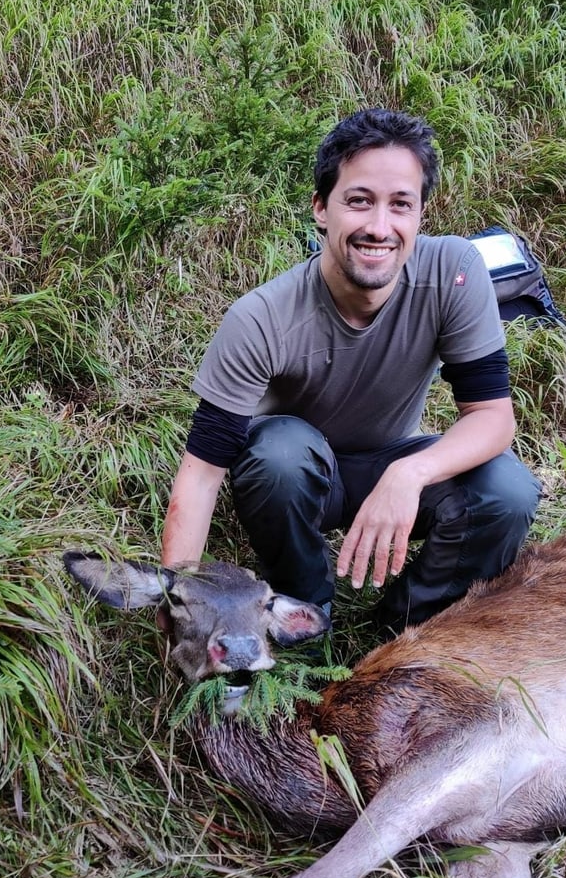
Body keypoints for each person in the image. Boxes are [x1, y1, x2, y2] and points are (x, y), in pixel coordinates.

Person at [161, 107, 541, 634]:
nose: (379, 227)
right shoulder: (263, 317)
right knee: (280, 454)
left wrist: (409, 474)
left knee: (508, 489)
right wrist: (180, 606)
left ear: (420, 216)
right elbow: (201, 476)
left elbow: (492, 418)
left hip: (391, 458)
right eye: (359, 201)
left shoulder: (453, 272)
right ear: (321, 209)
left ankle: (408, 634)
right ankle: (304, 620)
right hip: (296, 476)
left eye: (400, 205)